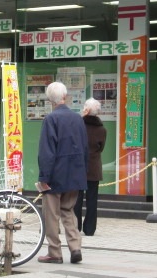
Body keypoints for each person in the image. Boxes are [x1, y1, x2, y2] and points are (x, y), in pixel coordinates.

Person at [37, 81, 88, 264]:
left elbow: (47, 151)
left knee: (52, 214)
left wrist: (44, 177)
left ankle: (55, 252)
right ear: (64, 97)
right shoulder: (77, 119)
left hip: (55, 175)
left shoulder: (51, 119)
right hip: (74, 173)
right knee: (69, 210)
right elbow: (85, 148)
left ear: (50, 99)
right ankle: (75, 248)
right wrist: (83, 173)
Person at [74, 98, 106, 237]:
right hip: (94, 167)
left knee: (77, 199)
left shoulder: (79, 125)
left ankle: (76, 227)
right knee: (92, 200)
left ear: (86, 110)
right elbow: (101, 148)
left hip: (79, 166)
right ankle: (90, 229)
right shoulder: (102, 129)